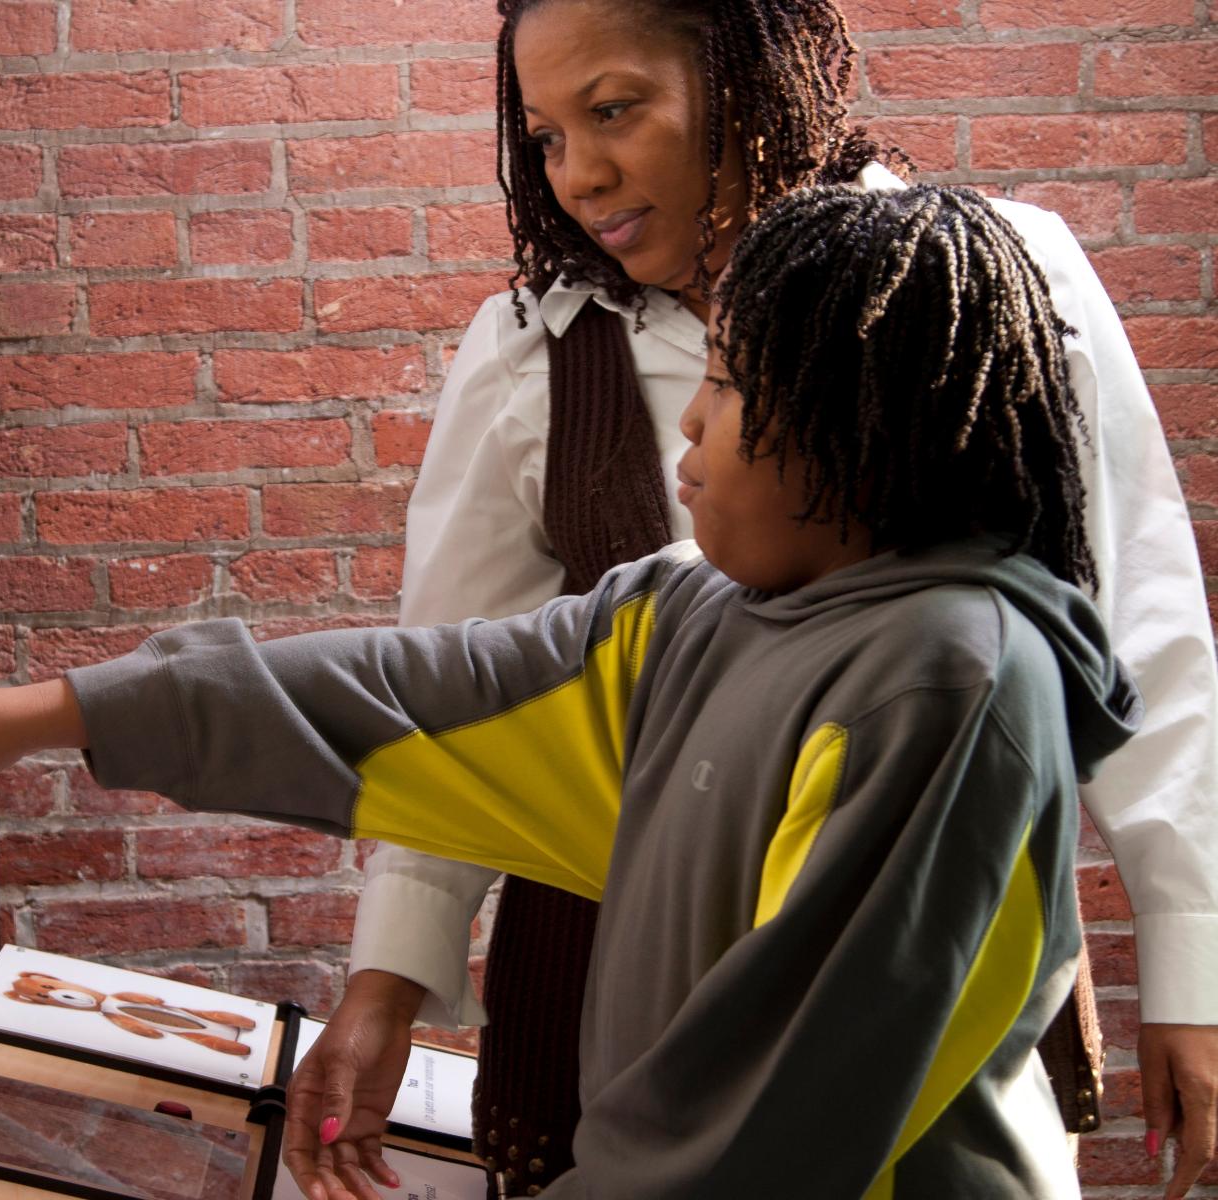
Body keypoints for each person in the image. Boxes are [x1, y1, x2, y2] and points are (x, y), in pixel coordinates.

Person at [0, 185, 1165, 1196]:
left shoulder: (954, 679)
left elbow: (770, 1120)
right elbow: (410, 694)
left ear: (872, 430)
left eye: (737, 389)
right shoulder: (696, 610)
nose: (689, 422)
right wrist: (54, 716)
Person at [304, 0, 1216, 1195]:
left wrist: (1192, 965)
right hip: (626, 972)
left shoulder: (990, 281)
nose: (579, 175)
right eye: (543, 137)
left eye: (615, 110)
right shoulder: (534, 348)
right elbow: (465, 703)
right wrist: (388, 981)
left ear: (747, 75)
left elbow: (1138, 631)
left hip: (921, 951)